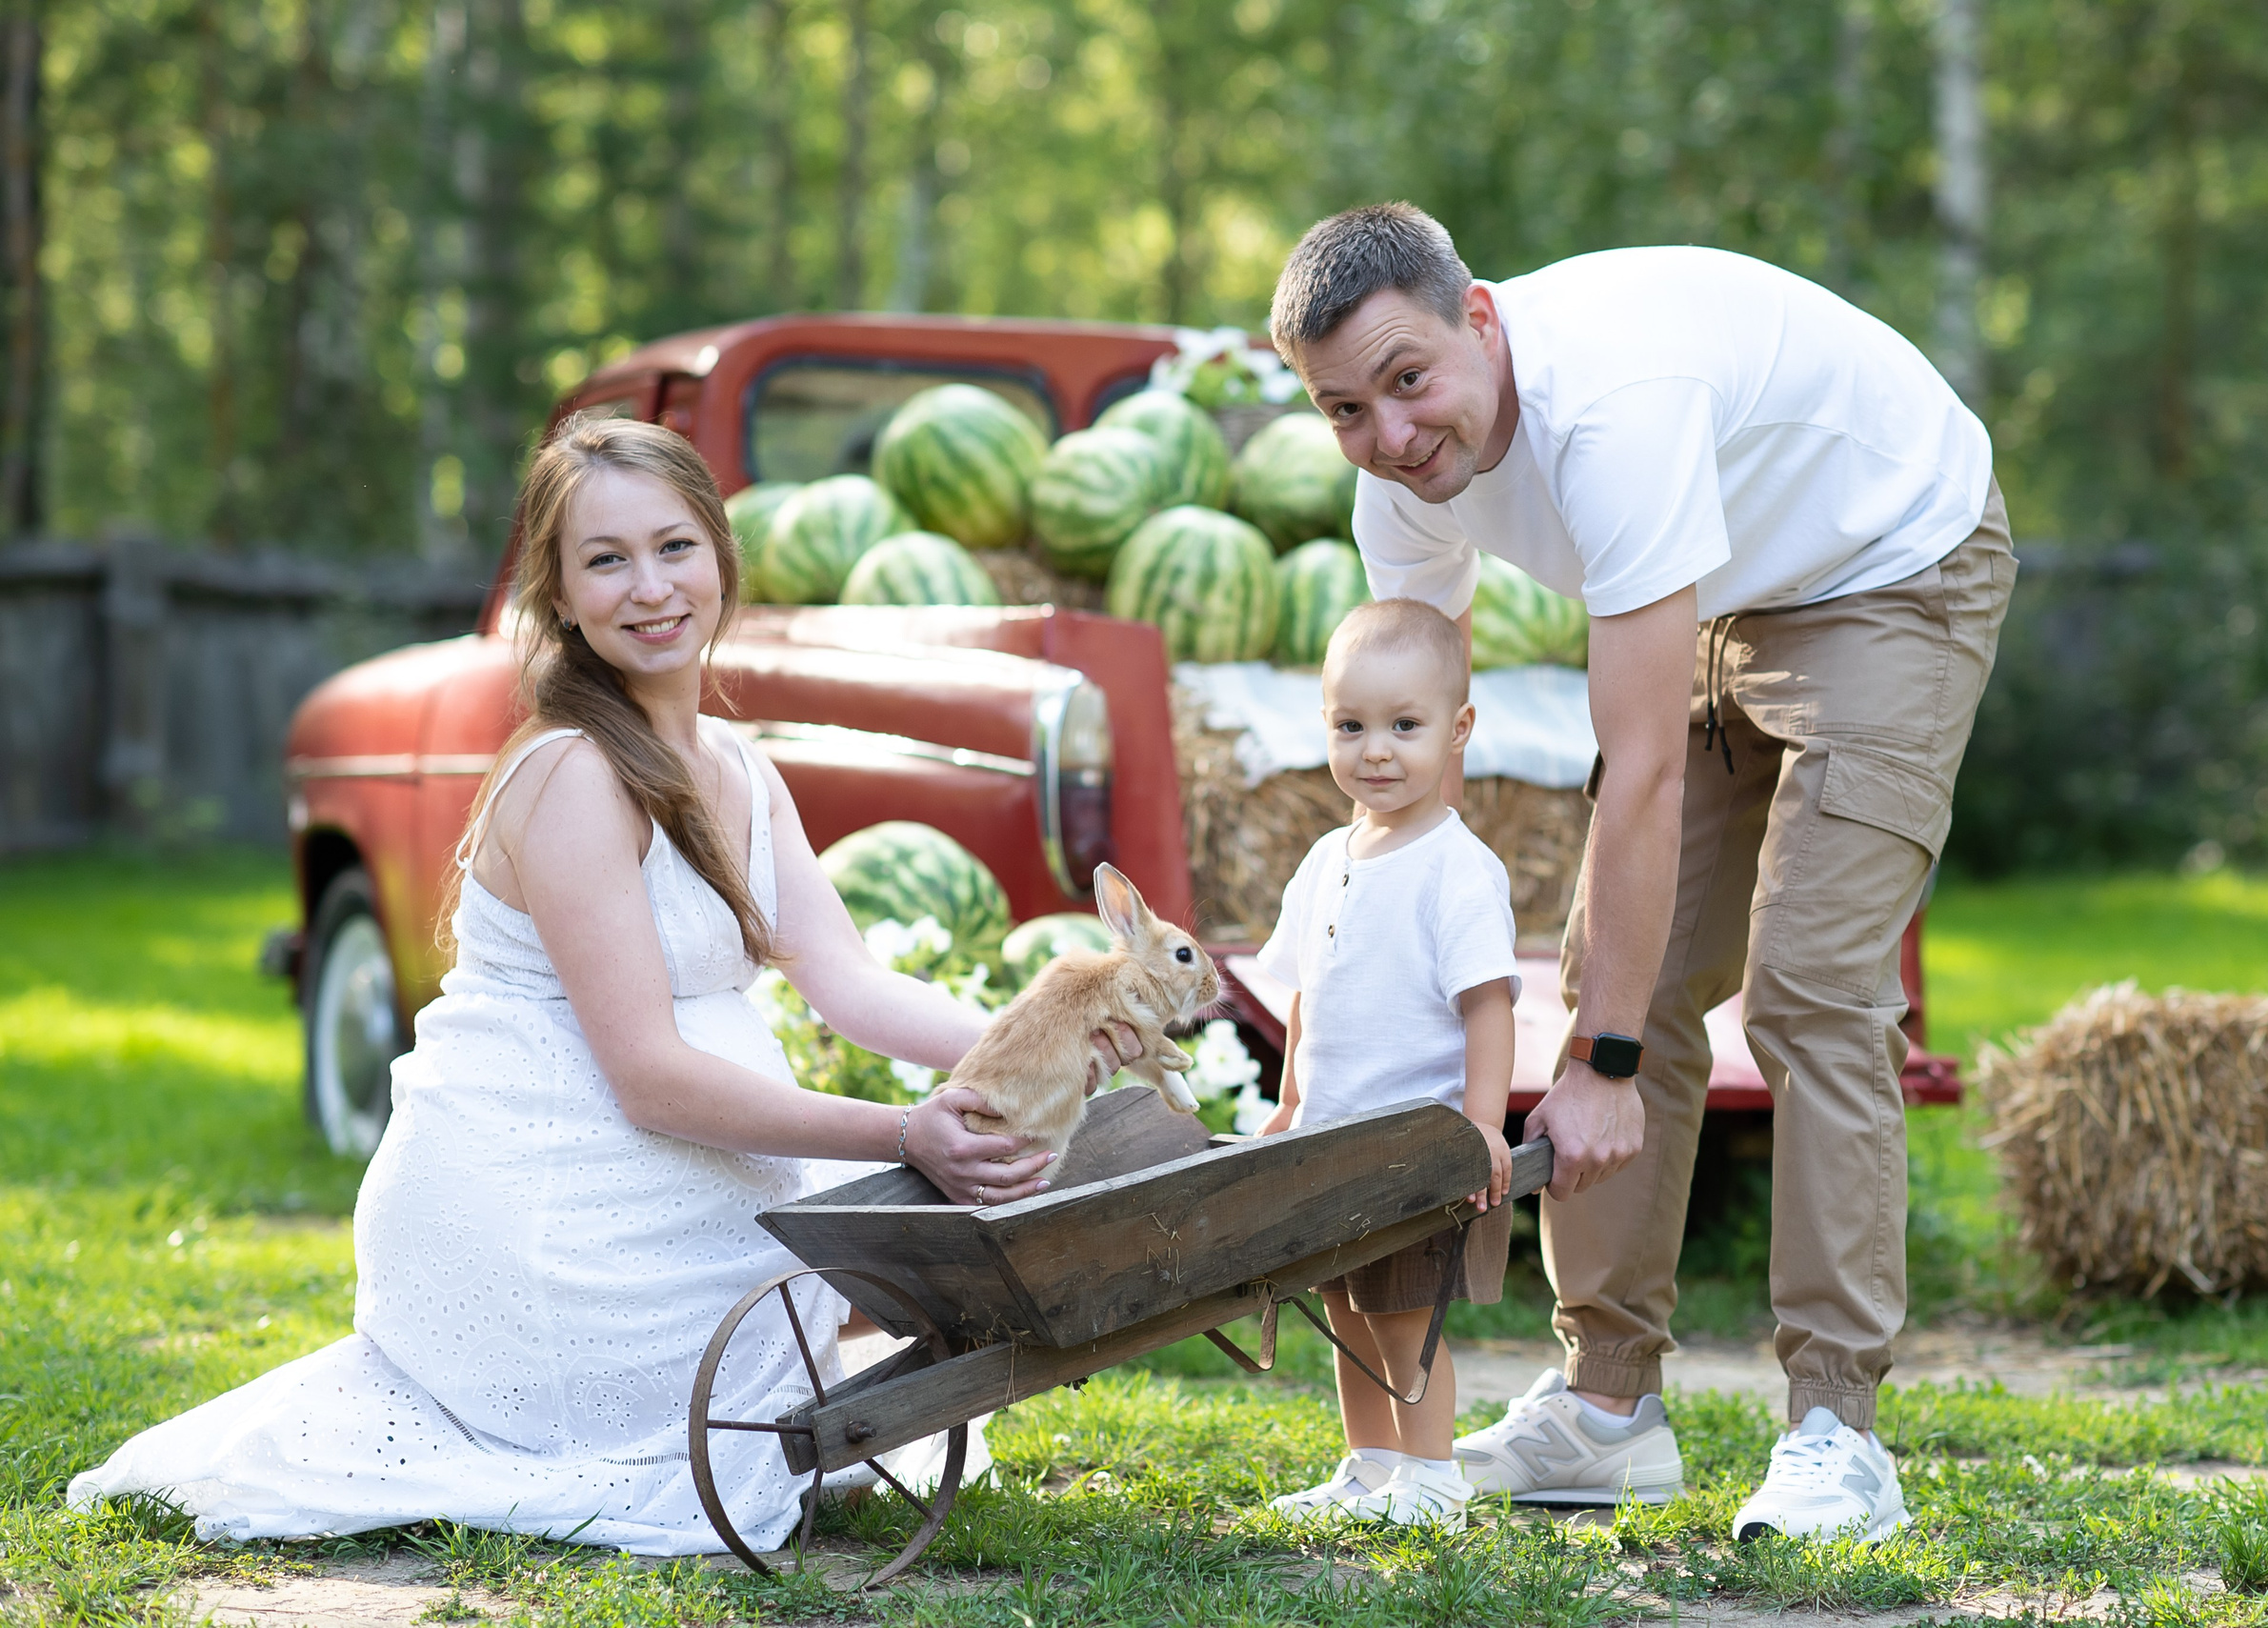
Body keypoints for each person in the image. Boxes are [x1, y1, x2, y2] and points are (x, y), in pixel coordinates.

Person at [68, 418, 1127, 1554]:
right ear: (562, 596)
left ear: (720, 555)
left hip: (683, 1181)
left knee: (882, 1270)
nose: (651, 587)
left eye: (674, 547)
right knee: (799, 1348)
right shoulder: (572, 773)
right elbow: (648, 1077)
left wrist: (1060, 1037)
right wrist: (905, 1130)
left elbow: (850, 983)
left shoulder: (738, 765)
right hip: (555, 1213)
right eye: (607, 560)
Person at [1267, 204, 2014, 1540]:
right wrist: (1407, 1003)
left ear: (1478, 318)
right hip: (1737, 581)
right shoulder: (1398, 477)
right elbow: (1417, 744)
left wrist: (1604, 1065)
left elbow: (1646, 770)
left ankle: (1837, 1428)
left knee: (1808, 986)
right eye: (1345, 411)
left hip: (1896, 561)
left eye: (1408, 379)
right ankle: (1605, 1406)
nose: (1391, 435)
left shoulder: (1610, 410)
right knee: (1621, 974)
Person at [1253, 597, 1518, 1532]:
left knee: (1405, 1315)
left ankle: (1433, 1478)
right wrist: (1291, 1098)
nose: (1376, 750)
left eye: (1404, 726)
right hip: (1332, 1139)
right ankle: (1370, 1468)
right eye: (1350, 726)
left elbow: (1488, 1005)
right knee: (1348, 1314)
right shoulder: (1326, 857)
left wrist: (1481, 1125)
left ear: (1458, 729)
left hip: (1412, 1149)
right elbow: (1307, 993)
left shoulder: (1456, 867)